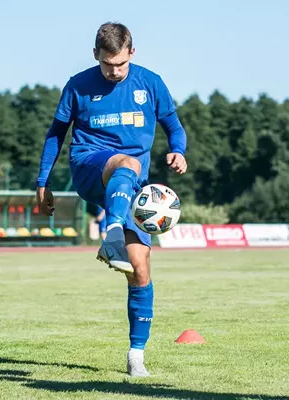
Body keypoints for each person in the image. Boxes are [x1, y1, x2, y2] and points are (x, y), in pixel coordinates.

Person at [35, 22, 188, 377]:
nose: (114, 71)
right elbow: (56, 135)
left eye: (120, 64)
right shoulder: (78, 85)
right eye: (107, 64)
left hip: (133, 188)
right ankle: (113, 232)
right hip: (90, 166)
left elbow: (174, 127)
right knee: (126, 162)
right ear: (95, 55)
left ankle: (136, 355)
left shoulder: (151, 83)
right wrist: (43, 181)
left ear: (132, 53)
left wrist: (178, 151)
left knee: (140, 268)